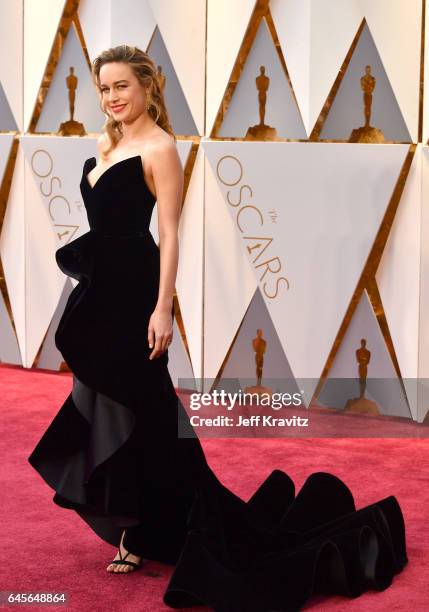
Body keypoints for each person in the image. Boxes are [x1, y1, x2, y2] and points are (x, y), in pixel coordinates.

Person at [28, 45, 408, 610]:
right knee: (106, 404)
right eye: (104, 88)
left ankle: (146, 529)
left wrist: (163, 308)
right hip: (100, 296)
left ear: (147, 88)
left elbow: (172, 234)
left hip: (136, 295)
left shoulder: (161, 149)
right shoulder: (108, 143)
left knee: (147, 411)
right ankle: (138, 524)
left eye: (121, 87)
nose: (111, 98)